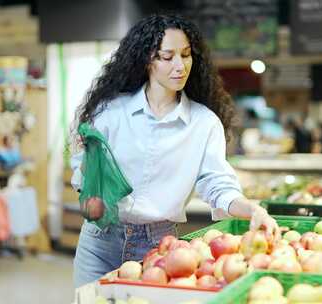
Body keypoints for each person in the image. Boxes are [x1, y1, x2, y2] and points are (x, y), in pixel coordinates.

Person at [70, 15, 280, 287]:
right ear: (147, 60)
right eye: (167, 57)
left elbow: (218, 185)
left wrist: (252, 209)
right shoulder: (111, 112)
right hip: (99, 241)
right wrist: (89, 183)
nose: (180, 66)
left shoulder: (203, 123)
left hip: (159, 247)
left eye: (185, 55)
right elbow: (83, 170)